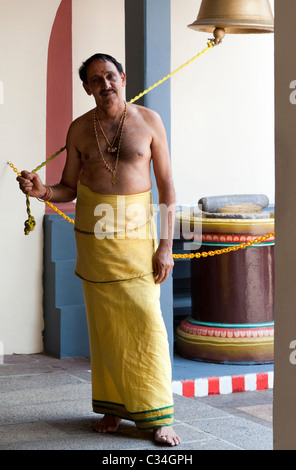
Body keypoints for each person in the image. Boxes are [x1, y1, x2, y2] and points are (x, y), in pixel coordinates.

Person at [17, 53, 180, 447]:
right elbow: (67, 188)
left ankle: (159, 415)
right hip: (95, 240)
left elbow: (168, 187)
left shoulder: (149, 122)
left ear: (122, 78)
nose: (104, 84)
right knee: (104, 327)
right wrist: (41, 192)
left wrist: (166, 247)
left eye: (110, 76)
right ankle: (113, 408)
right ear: (86, 87)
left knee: (147, 324)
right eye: (95, 79)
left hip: (139, 240)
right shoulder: (78, 131)